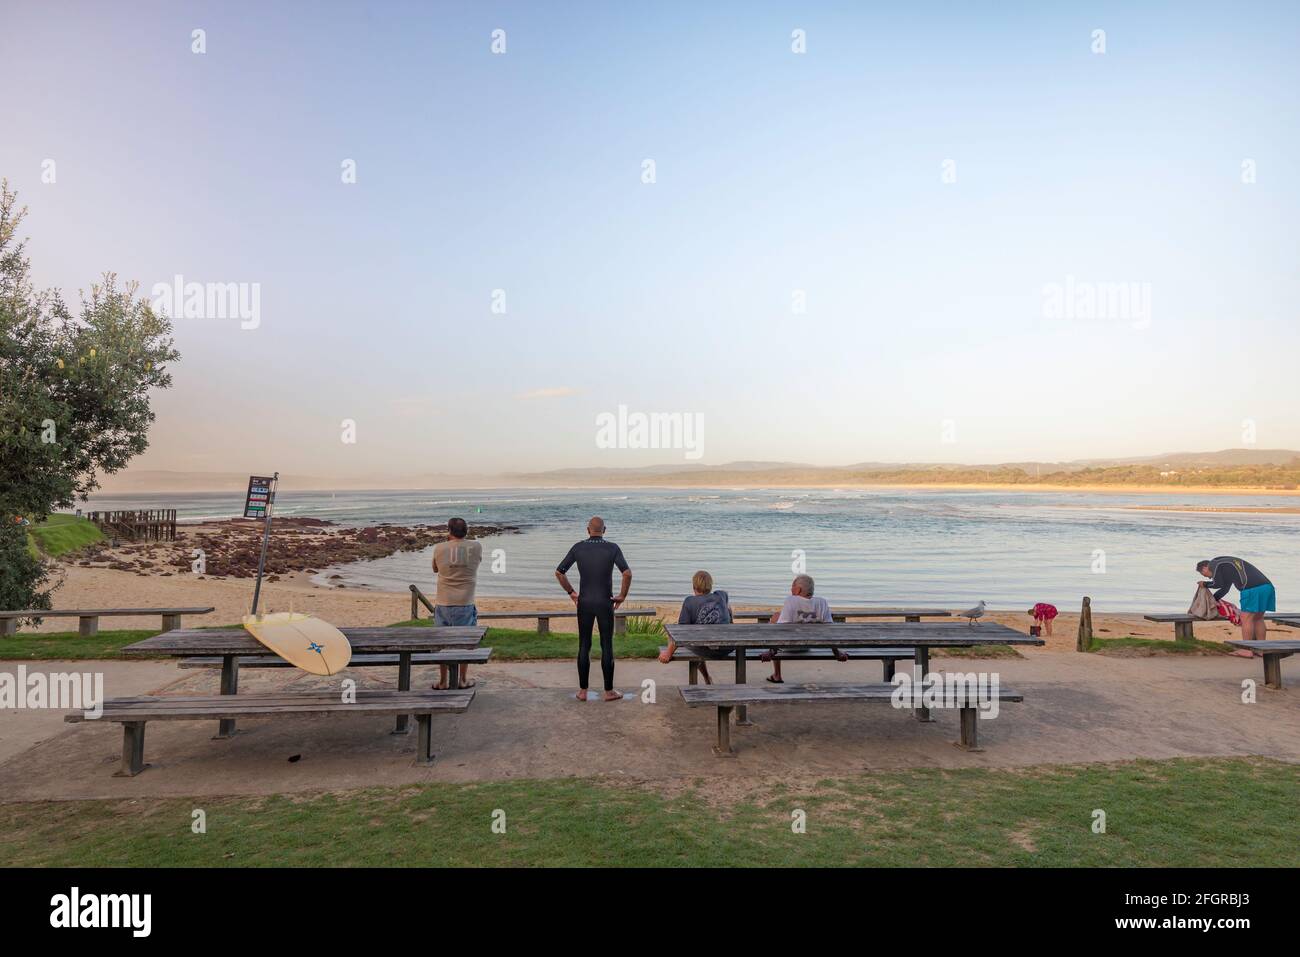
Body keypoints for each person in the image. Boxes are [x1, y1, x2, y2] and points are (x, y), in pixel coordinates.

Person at [555, 516, 631, 701]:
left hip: (585, 602)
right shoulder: (612, 548)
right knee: (607, 646)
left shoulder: (578, 547)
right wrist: (622, 596)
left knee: (584, 645)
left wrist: (572, 593)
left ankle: (582, 691)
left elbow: (559, 572)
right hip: (605, 602)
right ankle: (609, 692)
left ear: (588, 530)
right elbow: (627, 573)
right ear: (604, 530)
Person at [762, 574, 845, 683]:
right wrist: (837, 653)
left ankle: (777, 674)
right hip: (810, 646)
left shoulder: (791, 600)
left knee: (776, 617)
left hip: (788, 647)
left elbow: (780, 630)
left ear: (798, 589)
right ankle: (775, 666)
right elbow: (829, 631)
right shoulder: (822, 602)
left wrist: (771, 652)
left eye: (792, 586)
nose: (790, 589)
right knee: (779, 616)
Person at [430, 517, 482, 689]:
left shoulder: (439, 548)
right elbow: (476, 563)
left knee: (442, 644)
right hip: (465, 602)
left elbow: (435, 568)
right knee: (464, 643)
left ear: (449, 531)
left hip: (443, 602)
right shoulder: (476, 546)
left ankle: (443, 681)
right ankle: (462, 679)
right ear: (466, 531)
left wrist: (447, 543)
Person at [659, 570, 732, 684]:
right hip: (727, 648)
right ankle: (707, 678)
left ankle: (706, 677)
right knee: (699, 636)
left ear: (694, 586)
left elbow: (682, 632)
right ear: (710, 585)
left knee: (675, 632)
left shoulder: (689, 601)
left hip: (704, 650)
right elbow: (728, 608)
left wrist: (668, 653)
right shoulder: (722, 595)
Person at [1197, 557, 1275, 646]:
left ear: (1204, 568)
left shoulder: (1214, 564)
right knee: (1258, 619)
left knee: (1246, 618)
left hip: (1252, 589)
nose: (1210, 577)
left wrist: (1204, 584)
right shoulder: (1225, 566)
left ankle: (1247, 650)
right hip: (1267, 587)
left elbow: (1217, 584)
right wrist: (1213, 600)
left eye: (1205, 575)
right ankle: (1261, 649)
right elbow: (1225, 589)